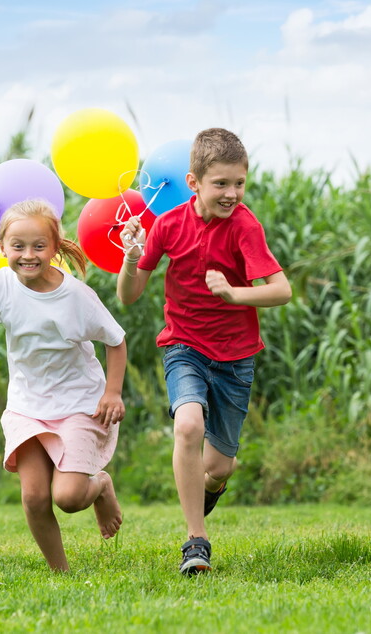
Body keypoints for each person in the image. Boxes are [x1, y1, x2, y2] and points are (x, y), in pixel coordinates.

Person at [117, 128, 292, 575]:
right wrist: (130, 256)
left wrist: (235, 294)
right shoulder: (170, 225)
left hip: (236, 357)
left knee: (220, 465)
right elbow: (130, 295)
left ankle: (209, 488)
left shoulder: (245, 226)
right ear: (194, 182)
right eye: (221, 184)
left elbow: (281, 290)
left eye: (239, 183)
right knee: (188, 425)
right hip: (185, 346)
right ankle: (196, 541)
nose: (232, 193)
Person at [0, 199, 126, 572]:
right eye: (18, 246)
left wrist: (113, 392)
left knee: (69, 498)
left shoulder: (76, 296)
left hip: (77, 403)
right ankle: (61, 572)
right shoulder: (1, 286)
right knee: (35, 497)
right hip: (27, 405)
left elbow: (115, 340)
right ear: (2, 249)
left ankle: (100, 485)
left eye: (39, 246)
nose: (28, 255)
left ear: (55, 247)